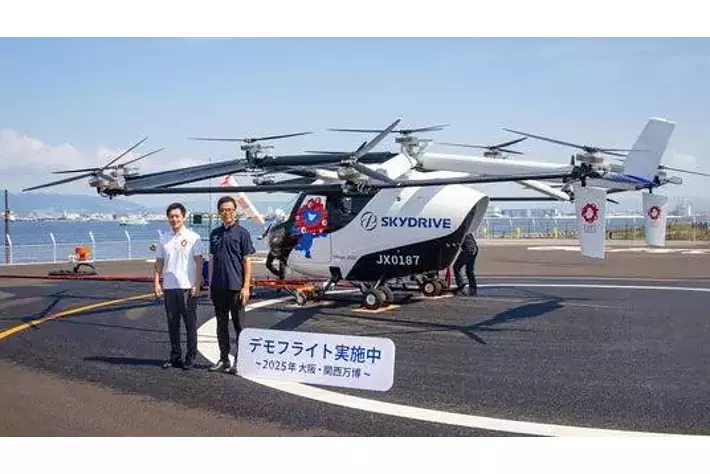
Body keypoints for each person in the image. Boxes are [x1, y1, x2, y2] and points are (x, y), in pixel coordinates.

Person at [207, 196, 256, 374]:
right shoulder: (214, 234)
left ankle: (240, 360)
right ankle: (224, 359)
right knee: (221, 325)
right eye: (222, 210)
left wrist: (246, 286)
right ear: (219, 213)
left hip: (236, 287)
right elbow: (212, 260)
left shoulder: (242, 233)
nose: (226, 213)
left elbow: (247, 261)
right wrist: (210, 284)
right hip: (218, 287)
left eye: (229, 210)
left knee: (239, 326)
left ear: (235, 212)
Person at [153, 202, 204, 370]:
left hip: (187, 287)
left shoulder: (193, 237)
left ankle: (190, 356)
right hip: (169, 287)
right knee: (172, 324)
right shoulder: (163, 239)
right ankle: (175, 356)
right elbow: (159, 262)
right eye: (171, 217)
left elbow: (199, 262)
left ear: (184, 217)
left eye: (177, 216)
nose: (174, 219)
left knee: (190, 324)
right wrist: (157, 282)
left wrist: (197, 284)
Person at [453, 232, 479, 297]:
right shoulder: (467, 229)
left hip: (468, 249)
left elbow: (456, 243)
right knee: (469, 270)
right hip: (475, 248)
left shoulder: (458, 230)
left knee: (456, 267)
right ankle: (473, 289)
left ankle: (461, 289)